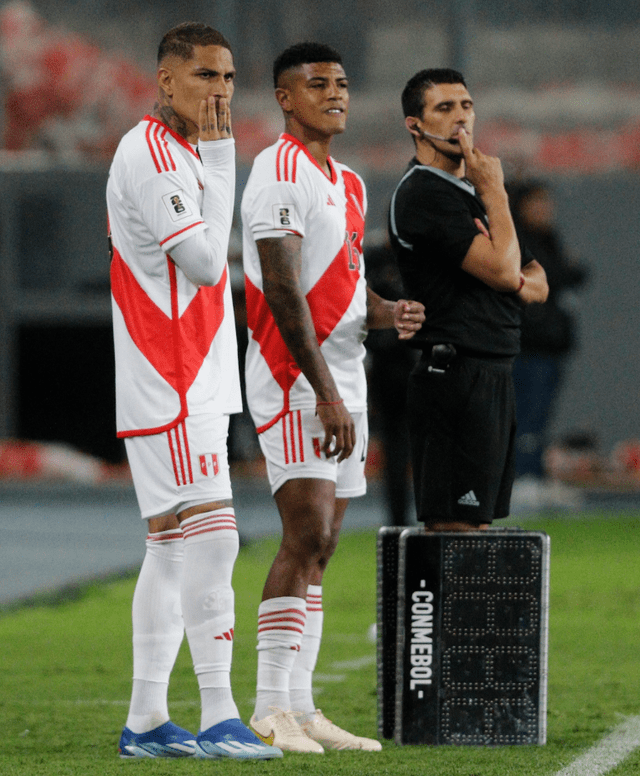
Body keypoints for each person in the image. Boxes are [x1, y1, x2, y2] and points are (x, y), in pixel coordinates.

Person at [240, 42, 424, 753]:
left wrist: (388, 312)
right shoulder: (275, 172)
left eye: (342, 84)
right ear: (286, 98)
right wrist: (323, 391)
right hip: (295, 377)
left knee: (326, 544)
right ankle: (266, 707)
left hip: (344, 374)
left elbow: (342, 286)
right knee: (306, 534)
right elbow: (283, 289)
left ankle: (302, 706)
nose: (336, 95)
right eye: (318, 85)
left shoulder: (346, 180)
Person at [107, 22, 281, 761]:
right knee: (213, 536)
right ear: (165, 82)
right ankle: (218, 713)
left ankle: (146, 720)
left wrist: (211, 160)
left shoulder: (178, 153)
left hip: (189, 370)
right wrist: (219, 157)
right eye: (206, 76)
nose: (220, 91)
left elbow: (213, 246)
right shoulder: (150, 153)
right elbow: (210, 262)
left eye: (229, 77)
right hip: (171, 372)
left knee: (172, 547)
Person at [388, 68, 549, 532]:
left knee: (478, 529)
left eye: (466, 106)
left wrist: (512, 281)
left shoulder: (471, 191)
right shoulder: (423, 193)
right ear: (414, 124)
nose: (461, 118)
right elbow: (504, 266)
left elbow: (536, 279)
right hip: (454, 377)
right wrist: (496, 192)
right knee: (455, 532)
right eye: (444, 108)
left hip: (493, 373)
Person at [507, 180, 588, 507]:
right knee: (525, 414)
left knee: (539, 416)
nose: (545, 210)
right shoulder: (519, 242)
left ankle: (535, 476)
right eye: (537, 203)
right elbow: (554, 275)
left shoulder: (548, 240)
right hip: (527, 346)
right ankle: (522, 479)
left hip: (549, 347)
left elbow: (575, 273)